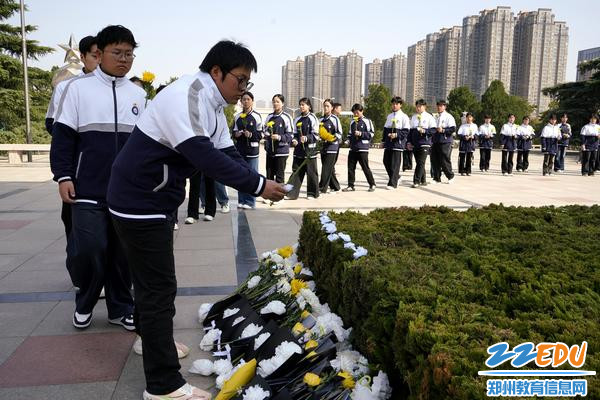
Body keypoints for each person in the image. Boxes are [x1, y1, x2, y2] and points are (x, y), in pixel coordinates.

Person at [107, 41, 285, 400]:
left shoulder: (213, 105)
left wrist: (260, 180)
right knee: (159, 290)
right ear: (216, 71)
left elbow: (228, 153)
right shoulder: (187, 95)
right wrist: (257, 186)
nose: (244, 89)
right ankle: (163, 386)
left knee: (149, 283)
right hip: (139, 200)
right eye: (240, 79)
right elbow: (204, 157)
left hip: (154, 199)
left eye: (248, 82)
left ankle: (149, 339)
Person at [50, 25, 145, 330]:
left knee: (122, 254)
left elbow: (144, 145)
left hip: (125, 192)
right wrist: (64, 176)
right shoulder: (77, 89)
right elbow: (62, 137)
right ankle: (85, 302)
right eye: (117, 52)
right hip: (86, 188)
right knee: (90, 248)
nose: (124, 59)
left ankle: (120, 307)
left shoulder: (138, 94)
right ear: (99, 53)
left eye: (129, 53)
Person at [45, 35, 99, 286]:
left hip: (112, 176)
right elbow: (56, 128)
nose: (100, 61)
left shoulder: (125, 89)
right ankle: (82, 278)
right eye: (95, 55)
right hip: (80, 174)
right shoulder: (68, 87)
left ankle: (114, 281)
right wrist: (65, 174)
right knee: (78, 230)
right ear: (84, 57)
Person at [232, 91, 263, 209]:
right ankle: (241, 200)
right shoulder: (237, 117)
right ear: (241, 102)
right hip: (240, 151)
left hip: (252, 151)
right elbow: (233, 132)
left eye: (248, 99)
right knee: (240, 175)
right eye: (243, 99)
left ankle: (250, 201)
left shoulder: (257, 116)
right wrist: (236, 134)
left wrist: (250, 135)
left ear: (252, 101)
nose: (245, 101)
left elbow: (261, 134)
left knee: (252, 176)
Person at [287, 98, 320, 200]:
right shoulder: (297, 119)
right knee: (296, 172)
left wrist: (306, 138)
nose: (301, 107)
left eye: (303, 105)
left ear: (309, 106)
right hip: (299, 151)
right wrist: (295, 140)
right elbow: (294, 134)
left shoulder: (313, 118)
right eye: (300, 105)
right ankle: (291, 194)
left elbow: (316, 135)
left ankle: (312, 193)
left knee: (311, 173)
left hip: (310, 151)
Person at [343, 103, 376, 192]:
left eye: (357, 112)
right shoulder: (352, 122)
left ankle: (372, 184)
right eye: (354, 113)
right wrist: (348, 140)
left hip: (362, 148)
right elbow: (350, 134)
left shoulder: (367, 121)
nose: (355, 114)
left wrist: (361, 134)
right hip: (353, 148)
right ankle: (350, 185)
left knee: (365, 167)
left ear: (362, 111)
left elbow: (371, 134)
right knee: (350, 167)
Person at [264, 94, 293, 194]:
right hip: (270, 151)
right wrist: (268, 135)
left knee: (280, 176)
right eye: (274, 102)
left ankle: (280, 195)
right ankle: (270, 195)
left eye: (277, 102)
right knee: (269, 175)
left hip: (281, 151)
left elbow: (290, 135)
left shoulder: (286, 117)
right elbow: (264, 130)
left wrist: (279, 137)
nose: (275, 104)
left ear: (282, 104)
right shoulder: (269, 117)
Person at [407, 99, 436, 188]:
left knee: (421, 162)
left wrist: (425, 131)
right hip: (415, 144)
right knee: (419, 162)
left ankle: (416, 181)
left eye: (420, 106)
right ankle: (423, 180)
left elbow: (433, 130)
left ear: (424, 107)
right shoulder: (414, 117)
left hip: (425, 143)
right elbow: (410, 131)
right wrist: (409, 142)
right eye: (417, 106)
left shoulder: (429, 117)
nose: (418, 108)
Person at [382, 96, 410, 189]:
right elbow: (385, 129)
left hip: (398, 143)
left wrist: (397, 135)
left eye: (396, 104)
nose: (394, 105)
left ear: (400, 105)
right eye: (393, 104)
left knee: (395, 164)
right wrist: (383, 141)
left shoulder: (404, 116)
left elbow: (406, 131)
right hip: (389, 143)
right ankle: (397, 177)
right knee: (386, 161)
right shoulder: (389, 116)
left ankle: (392, 184)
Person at [318, 99, 342, 194]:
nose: (325, 108)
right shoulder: (320, 120)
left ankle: (322, 187)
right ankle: (336, 187)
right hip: (323, 147)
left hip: (332, 147)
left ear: (332, 108)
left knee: (326, 168)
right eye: (324, 106)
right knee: (329, 168)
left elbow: (339, 133)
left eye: (328, 106)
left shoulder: (335, 119)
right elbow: (317, 133)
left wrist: (331, 138)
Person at [430, 100, 456, 183]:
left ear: (445, 107)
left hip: (445, 141)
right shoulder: (435, 116)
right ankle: (436, 178)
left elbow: (453, 129)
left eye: (441, 106)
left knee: (444, 159)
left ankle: (450, 176)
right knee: (434, 159)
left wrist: (443, 130)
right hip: (435, 140)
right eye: (438, 106)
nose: (439, 107)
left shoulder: (448, 116)